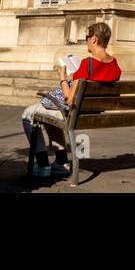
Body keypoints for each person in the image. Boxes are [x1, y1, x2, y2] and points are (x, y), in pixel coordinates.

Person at [21, 21, 121, 177]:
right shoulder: (115, 64)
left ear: (94, 39)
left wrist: (62, 78)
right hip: (93, 112)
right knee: (49, 113)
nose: (86, 40)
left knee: (27, 114)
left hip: (75, 113)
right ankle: (60, 162)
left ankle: (42, 165)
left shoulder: (86, 63)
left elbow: (69, 99)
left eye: (87, 37)